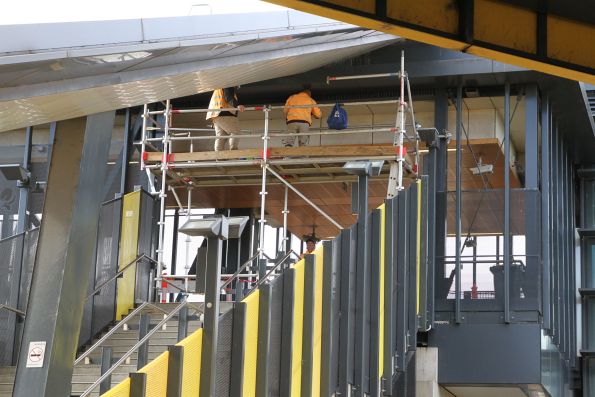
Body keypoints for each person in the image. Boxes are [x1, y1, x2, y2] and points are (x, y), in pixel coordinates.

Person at [206, 87, 245, 151]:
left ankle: (219, 157)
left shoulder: (219, 87)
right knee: (236, 132)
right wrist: (237, 105)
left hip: (216, 115)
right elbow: (228, 97)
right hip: (225, 114)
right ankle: (233, 153)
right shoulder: (228, 85)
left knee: (221, 136)